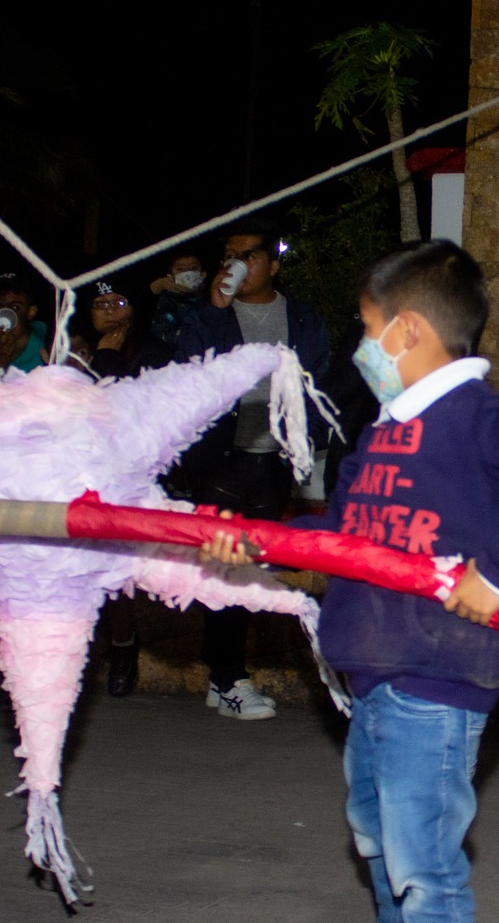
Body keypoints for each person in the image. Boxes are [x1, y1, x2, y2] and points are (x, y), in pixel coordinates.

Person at [200, 240, 499, 923]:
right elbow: (342, 541)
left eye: (368, 329)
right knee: (374, 829)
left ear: (409, 330)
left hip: (442, 667)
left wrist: (495, 577)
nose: (361, 347)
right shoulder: (384, 432)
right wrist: (256, 544)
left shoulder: (474, 415)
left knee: (422, 849)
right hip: (376, 665)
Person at [176, 219, 330, 720]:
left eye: (249, 255)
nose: (236, 265)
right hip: (223, 462)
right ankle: (227, 678)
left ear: (274, 264)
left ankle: (225, 676)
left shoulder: (301, 318)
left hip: (273, 462)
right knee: (227, 565)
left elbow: (319, 378)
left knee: (252, 566)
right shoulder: (210, 317)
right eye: (229, 256)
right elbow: (189, 372)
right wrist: (217, 313)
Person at [79, 280, 168, 696]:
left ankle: (122, 646)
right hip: (74, 469)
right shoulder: (73, 347)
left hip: (127, 473)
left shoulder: (152, 350)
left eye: (119, 301)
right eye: (100, 304)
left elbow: (122, 411)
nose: (110, 312)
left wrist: (109, 359)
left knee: (112, 565)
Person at [148, 249, 209, 346]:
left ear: (203, 274)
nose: (187, 272)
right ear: (171, 276)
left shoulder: (212, 299)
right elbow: (161, 333)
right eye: (180, 269)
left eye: (193, 268)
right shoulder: (169, 299)